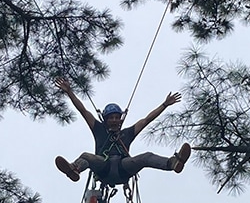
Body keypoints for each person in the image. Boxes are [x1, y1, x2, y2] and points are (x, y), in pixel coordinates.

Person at [54, 76, 192, 185]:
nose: (114, 120)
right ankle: (74, 169)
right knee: (86, 156)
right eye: (111, 118)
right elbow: (83, 111)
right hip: (104, 167)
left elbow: (146, 120)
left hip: (123, 168)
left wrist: (164, 105)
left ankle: (172, 163)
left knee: (146, 157)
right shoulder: (99, 129)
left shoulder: (127, 133)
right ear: (105, 119)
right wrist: (69, 92)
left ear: (120, 119)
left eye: (116, 117)